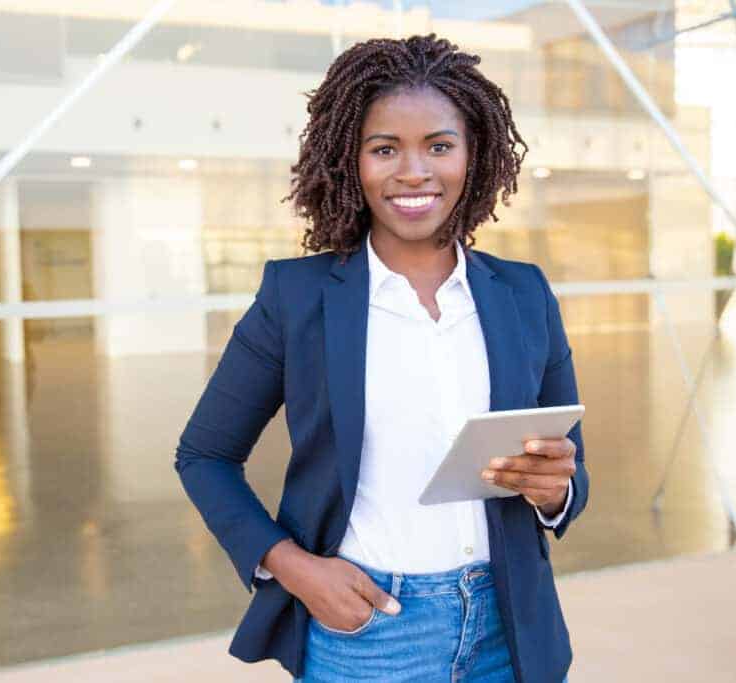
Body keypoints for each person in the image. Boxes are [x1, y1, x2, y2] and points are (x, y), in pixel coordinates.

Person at [174, 34, 587, 683]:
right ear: (350, 160)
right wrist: (293, 567)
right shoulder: (298, 297)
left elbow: (569, 472)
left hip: (510, 631)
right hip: (368, 631)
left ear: (472, 157)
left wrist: (556, 488)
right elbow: (204, 455)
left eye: (440, 146)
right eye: (385, 148)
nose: (415, 171)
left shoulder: (524, 293)